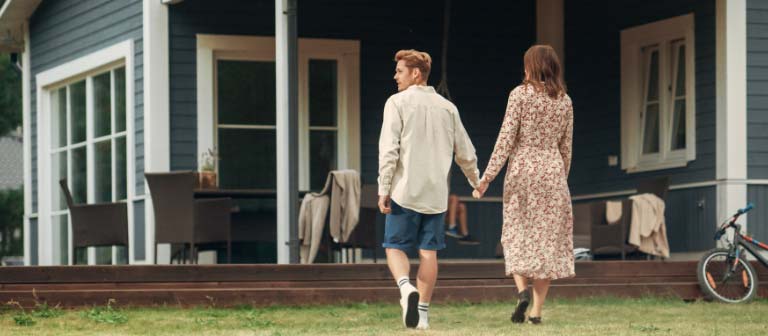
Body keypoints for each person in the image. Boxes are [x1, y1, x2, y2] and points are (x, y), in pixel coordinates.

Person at [378, 49, 481, 330]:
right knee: (428, 253)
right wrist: (476, 182)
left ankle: (405, 289)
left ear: (415, 73)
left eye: (399, 71)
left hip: (405, 191)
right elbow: (466, 151)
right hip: (435, 196)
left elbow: (389, 150)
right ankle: (422, 314)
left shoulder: (396, 103)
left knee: (395, 248)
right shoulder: (448, 108)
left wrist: (383, 188)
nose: (395, 76)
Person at [473, 45, 575, 325]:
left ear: (531, 66)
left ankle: (521, 292)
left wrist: (486, 179)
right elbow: (566, 148)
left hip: (523, 171)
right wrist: (559, 179)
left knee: (516, 232)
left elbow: (505, 139)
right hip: (552, 173)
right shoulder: (565, 101)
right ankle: (537, 311)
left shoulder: (519, 95)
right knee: (546, 243)